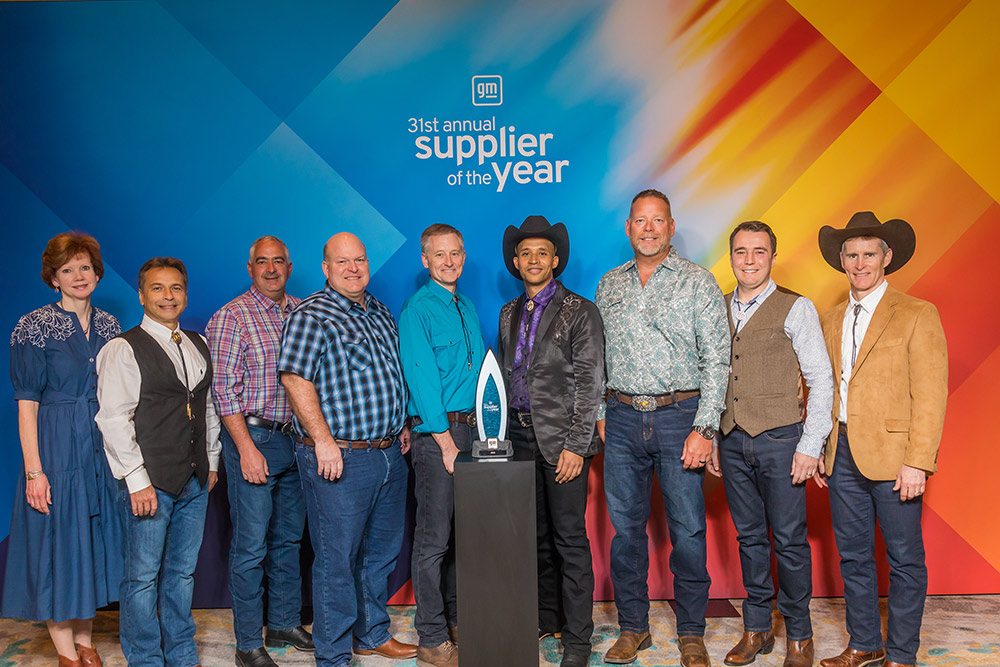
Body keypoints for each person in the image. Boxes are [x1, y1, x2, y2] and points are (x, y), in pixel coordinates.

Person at [595, 189, 729, 667]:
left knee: (688, 530)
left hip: (680, 418)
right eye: (640, 221)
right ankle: (634, 628)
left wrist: (705, 427)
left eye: (658, 221)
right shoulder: (609, 285)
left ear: (671, 227)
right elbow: (596, 360)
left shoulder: (698, 282)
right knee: (626, 531)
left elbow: (717, 359)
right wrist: (600, 413)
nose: (648, 229)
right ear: (628, 228)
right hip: (624, 417)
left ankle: (691, 632)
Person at [277, 232, 416, 667]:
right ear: (325, 268)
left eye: (359, 260)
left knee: (380, 552)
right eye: (343, 262)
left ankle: (371, 634)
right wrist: (322, 441)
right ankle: (334, 655)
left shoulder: (379, 311)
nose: (353, 268)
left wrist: (403, 424)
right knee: (337, 560)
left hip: (389, 452)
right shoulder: (310, 315)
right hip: (341, 456)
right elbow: (295, 380)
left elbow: (390, 373)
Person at [815, 212, 947, 667]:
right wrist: (820, 447)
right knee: (853, 557)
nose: (860, 262)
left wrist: (919, 461)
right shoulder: (829, 318)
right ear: (842, 260)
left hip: (896, 458)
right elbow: (826, 387)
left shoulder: (916, 313)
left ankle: (902, 654)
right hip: (842, 452)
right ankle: (864, 642)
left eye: (869, 254)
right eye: (851, 255)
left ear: (886, 257)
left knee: (905, 559)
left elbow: (930, 394)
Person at [2, 233, 123, 667]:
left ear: (96, 272)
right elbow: (27, 405)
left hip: (97, 450)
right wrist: (35, 471)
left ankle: (86, 643)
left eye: (85, 267)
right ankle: (66, 654)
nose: (78, 276)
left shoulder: (110, 326)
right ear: (53, 278)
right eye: (67, 269)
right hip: (54, 448)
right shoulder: (32, 326)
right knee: (56, 544)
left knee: (88, 543)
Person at [718, 221, 833, 667]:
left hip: (783, 439)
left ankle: (799, 636)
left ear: (772, 256)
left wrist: (810, 444)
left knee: (788, 539)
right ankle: (757, 627)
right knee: (750, 538)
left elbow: (820, 378)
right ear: (731, 257)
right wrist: (711, 435)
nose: (749, 260)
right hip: (732, 439)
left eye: (759, 252)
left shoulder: (795, 307)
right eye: (741, 252)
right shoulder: (717, 308)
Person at [95, 257, 221, 667]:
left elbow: (207, 409)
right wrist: (137, 480)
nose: (168, 296)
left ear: (185, 293)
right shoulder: (123, 348)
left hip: (195, 479)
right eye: (158, 288)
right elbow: (113, 420)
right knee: (142, 578)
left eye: (176, 288)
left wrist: (212, 460)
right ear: (141, 294)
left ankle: (181, 653)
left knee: (182, 574)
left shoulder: (198, 342)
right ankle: (146, 658)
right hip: (150, 482)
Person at [496, 216, 604, 667]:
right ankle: (546, 616)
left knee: (569, 540)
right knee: (534, 538)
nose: (534, 260)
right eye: (526, 253)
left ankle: (577, 641)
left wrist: (577, 446)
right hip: (517, 436)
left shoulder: (580, 311)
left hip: (562, 440)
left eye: (543, 252)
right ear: (516, 262)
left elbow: (590, 381)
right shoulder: (508, 312)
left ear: (555, 260)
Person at [206, 236, 312, 667]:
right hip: (256, 438)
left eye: (279, 261)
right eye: (262, 262)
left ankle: (284, 622)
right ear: (250, 268)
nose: (271, 269)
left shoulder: (305, 310)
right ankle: (249, 643)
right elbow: (223, 393)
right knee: (251, 546)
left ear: (289, 266)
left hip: (296, 437)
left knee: (288, 539)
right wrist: (245, 448)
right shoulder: (231, 317)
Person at [398, 224, 486, 667]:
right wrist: (446, 443)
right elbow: (422, 380)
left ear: (464, 255)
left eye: (455, 253)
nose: (448, 261)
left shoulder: (466, 305)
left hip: (472, 430)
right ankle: (432, 638)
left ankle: (454, 621)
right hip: (440, 436)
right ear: (425, 260)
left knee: (458, 537)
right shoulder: (417, 309)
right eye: (439, 255)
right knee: (433, 539)